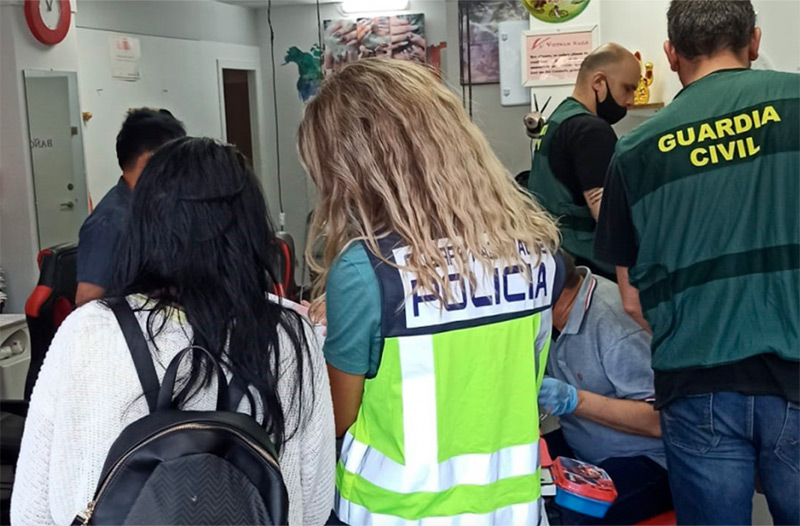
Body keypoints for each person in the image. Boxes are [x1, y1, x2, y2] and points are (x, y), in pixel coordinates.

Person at [12, 138, 335, 526]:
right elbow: (314, 506)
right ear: (248, 228)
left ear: (145, 225)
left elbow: (31, 511)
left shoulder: (87, 330)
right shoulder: (290, 335)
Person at [298, 58, 563, 525]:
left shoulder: (367, 270)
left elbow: (337, 419)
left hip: (395, 513)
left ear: (358, 166)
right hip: (514, 511)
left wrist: (334, 328)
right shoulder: (536, 252)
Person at [594, 1, 799, 524]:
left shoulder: (635, 150)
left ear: (670, 54)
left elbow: (632, 297)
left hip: (696, 385)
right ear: (753, 42)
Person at [539, 253, 672, 525]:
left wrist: (575, 401)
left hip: (649, 461)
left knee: (566, 517)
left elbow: (659, 421)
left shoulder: (614, 323)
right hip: (583, 448)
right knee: (511, 477)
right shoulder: (553, 319)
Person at [528, 43, 640, 279]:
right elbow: (606, 214)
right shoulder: (591, 129)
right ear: (599, 82)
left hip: (554, 260)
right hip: (589, 268)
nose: (631, 101)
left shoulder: (559, 119)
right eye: (627, 89)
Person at [75, 108, 186, 307]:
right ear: (149, 161)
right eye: (173, 162)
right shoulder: (109, 222)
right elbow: (86, 300)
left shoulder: (151, 208)